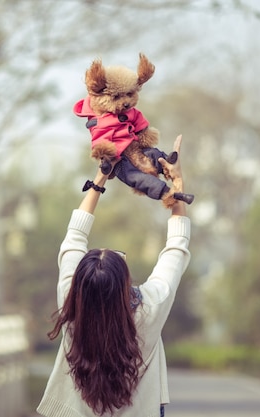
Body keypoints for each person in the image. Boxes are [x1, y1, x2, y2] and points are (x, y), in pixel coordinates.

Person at [37, 135, 192, 417]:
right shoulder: (149, 308)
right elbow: (176, 250)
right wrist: (177, 185)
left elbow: (73, 239)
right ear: (124, 284)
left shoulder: (71, 306)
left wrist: (100, 178)